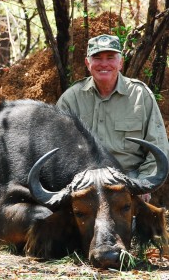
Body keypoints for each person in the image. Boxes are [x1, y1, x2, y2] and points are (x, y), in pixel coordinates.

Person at [56, 34, 169, 202]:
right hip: (84, 186)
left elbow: (157, 147)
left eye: (110, 57)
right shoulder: (70, 99)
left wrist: (144, 183)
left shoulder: (140, 96)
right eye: (97, 58)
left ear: (121, 63)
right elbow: (56, 151)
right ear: (88, 63)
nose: (104, 64)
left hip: (129, 182)